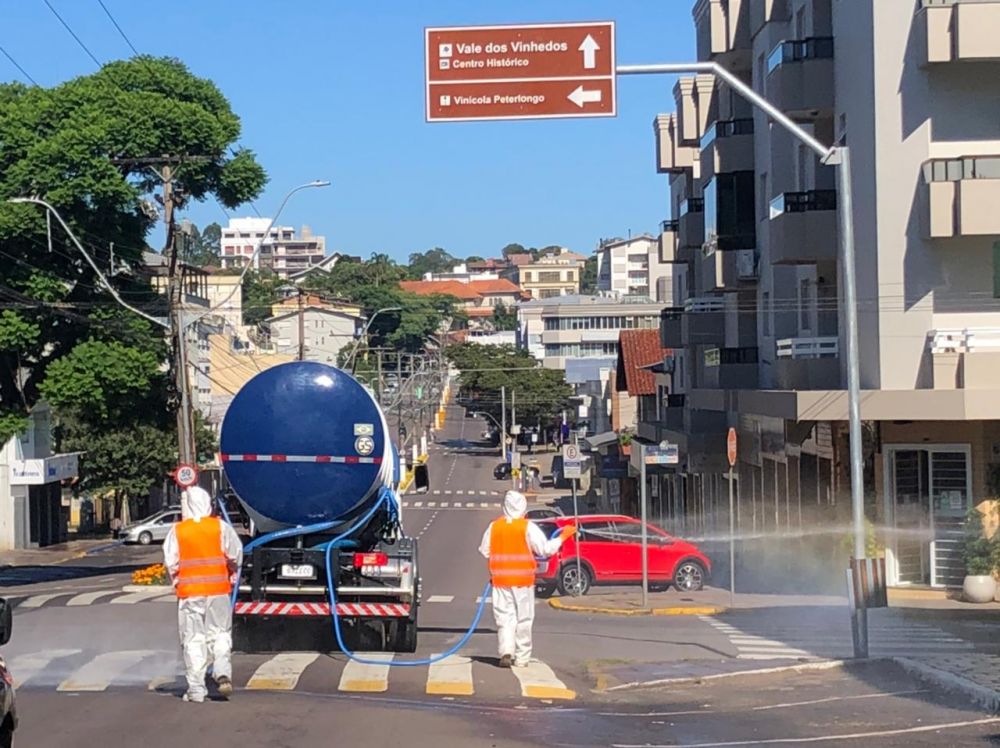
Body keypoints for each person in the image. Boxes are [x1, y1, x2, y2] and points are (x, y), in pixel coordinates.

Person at [164, 486, 243, 703]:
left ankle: (197, 690)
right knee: (220, 634)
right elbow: (236, 554)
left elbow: (171, 563)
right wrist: (232, 571)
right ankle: (221, 669)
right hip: (218, 592)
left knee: (193, 640)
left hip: (190, 594)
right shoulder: (220, 527)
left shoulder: (179, 531)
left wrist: (177, 580)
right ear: (208, 504)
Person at [479, 490, 575, 668]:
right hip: (523, 582)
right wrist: (563, 537)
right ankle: (522, 658)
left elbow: (485, 550)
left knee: (504, 619)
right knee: (524, 618)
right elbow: (545, 549)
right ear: (522, 507)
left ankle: (506, 651)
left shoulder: (494, 527)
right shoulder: (527, 527)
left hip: (500, 582)